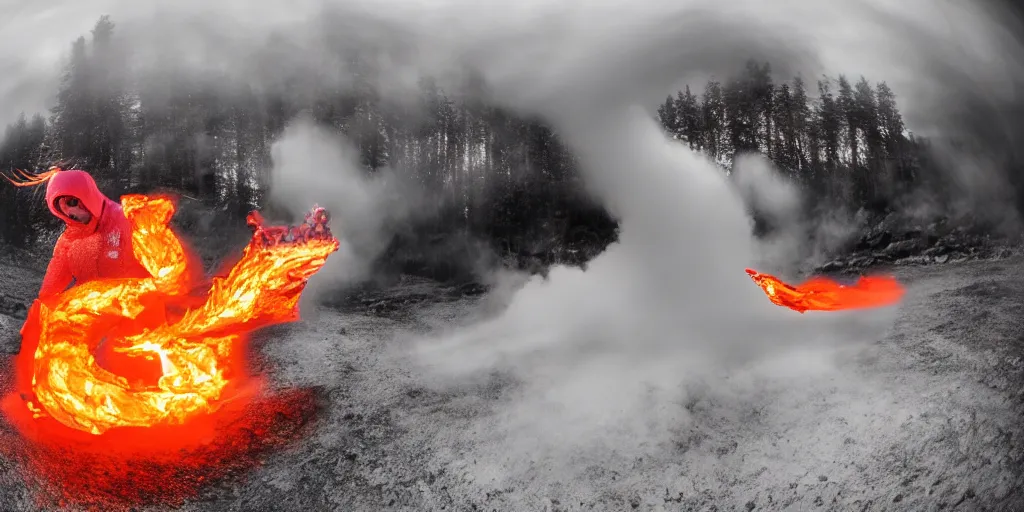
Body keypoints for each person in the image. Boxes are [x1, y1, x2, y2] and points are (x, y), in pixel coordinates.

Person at [5, 166, 204, 388]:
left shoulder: (126, 220)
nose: (74, 212)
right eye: (66, 210)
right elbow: (50, 292)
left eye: (74, 201)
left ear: (86, 195)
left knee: (154, 376)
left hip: (140, 315)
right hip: (97, 320)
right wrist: (32, 329)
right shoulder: (69, 241)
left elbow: (164, 264)